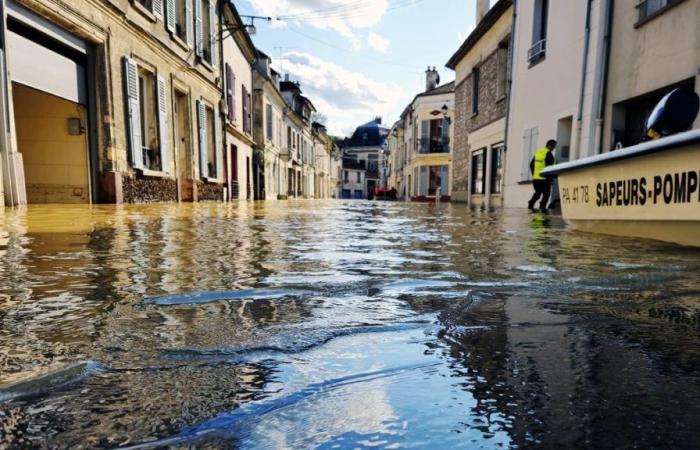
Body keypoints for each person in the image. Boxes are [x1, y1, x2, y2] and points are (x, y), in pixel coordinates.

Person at [528, 139, 557, 212]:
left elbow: (531, 165)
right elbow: (549, 168)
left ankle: (530, 205)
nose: (554, 149)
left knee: (538, 193)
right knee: (546, 194)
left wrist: (534, 175)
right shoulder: (549, 154)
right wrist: (554, 177)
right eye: (554, 147)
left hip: (536, 179)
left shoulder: (538, 153)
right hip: (545, 179)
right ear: (550, 145)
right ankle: (542, 208)